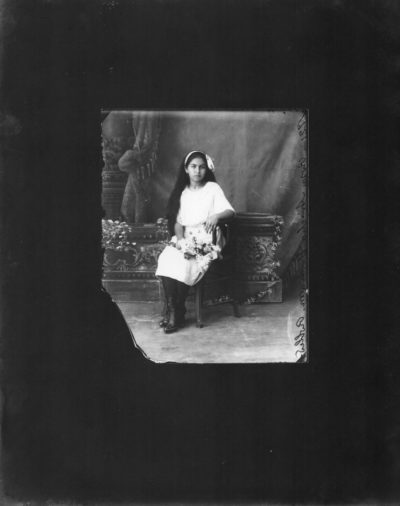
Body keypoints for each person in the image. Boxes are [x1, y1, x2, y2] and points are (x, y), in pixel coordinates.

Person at [155, 150, 235, 333]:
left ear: (206, 169)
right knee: (167, 258)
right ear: (186, 169)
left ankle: (176, 312)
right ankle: (175, 309)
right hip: (186, 236)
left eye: (202, 167)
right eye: (193, 167)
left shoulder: (212, 188)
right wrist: (181, 240)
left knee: (186, 261)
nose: (197, 171)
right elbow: (177, 223)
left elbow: (230, 211)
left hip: (208, 237)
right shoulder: (182, 193)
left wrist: (216, 216)